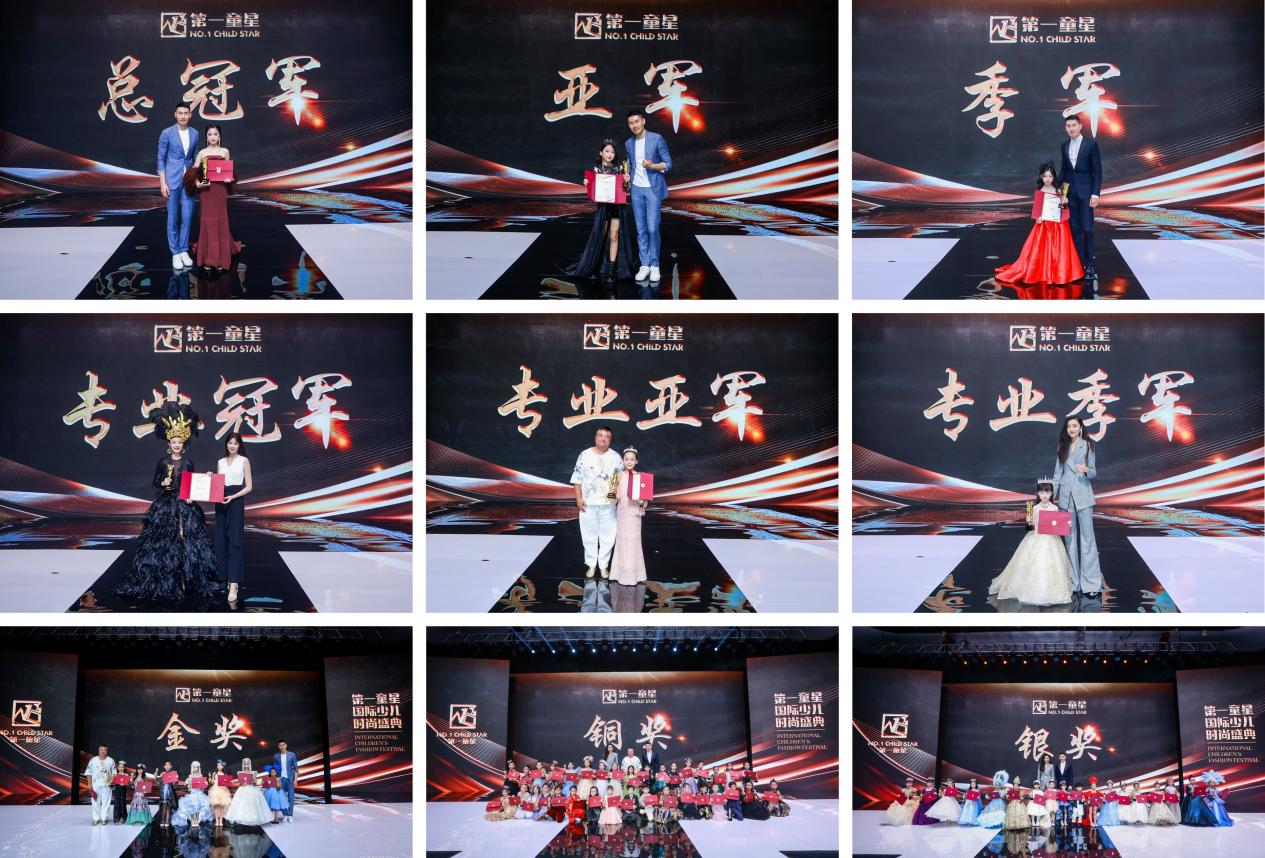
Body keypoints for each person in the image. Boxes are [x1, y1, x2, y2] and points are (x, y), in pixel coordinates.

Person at [112, 402, 217, 606]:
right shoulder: (163, 462)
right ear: (169, 442)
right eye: (174, 441)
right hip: (167, 504)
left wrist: (196, 491)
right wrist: (163, 482)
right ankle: (168, 579)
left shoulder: (188, 463)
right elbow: (155, 481)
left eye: (180, 441)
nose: (177, 444)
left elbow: (192, 483)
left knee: (187, 539)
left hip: (185, 504)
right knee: (165, 541)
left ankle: (187, 579)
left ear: (184, 443)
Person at [995, 163, 1084, 285]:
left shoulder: (1058, 191)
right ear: (1041, 177)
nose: (1048, 179)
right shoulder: (1040, 191)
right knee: (1041, 249)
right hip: (1044, 225)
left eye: (1050, 176)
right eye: (1045, 176)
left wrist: (1064, 202)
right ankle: (1043, 272)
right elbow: (1037, 209)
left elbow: (1060, 208)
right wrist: (1038, 218)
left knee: (1060, 249)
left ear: (1054, 177)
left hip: (1058, 225)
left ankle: (1060, 273)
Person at [988, 480, 1074, 605]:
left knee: (1051, 565)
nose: (1044, 495)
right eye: (1042, 492)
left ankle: (1050, 591)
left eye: (1047, 492)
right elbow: (1030, 528)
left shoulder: (1055, 508)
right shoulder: (1034, 508)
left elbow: (1056, 525)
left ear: (1051, 493)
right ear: (1038, 493)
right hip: (1035, 538)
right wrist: (1029, 521)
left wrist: (1066, 524)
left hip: (1051, 540)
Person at [570, 139, 637, 283]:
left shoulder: (619, 169)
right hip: (603, 209)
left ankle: (611, 269)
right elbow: (593, 192)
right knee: (600, 236)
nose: (610, 154)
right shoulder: (596, 170)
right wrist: (587, 184)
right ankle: (595, 266)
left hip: (616, 208)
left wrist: (626, 181)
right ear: (601, 153)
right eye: (607, 151)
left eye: (612, 152)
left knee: (614, 237)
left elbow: (625, 189)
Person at [1053, 416, 1102, 596]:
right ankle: (1074, 582)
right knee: (1069, 540)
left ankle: (1091, 583)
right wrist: (1050, 498)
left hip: (1084, 496)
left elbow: (1094, 472)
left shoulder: (1088, 445)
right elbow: (1057, 475)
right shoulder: (1062, 446)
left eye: (1075, 426)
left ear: (1081, 427)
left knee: (1088, 539)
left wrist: (1086, 470)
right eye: (1069, 426)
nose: (1071, 429)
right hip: (1066, 498)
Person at [624, 109, 672, 283]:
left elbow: (668, 164)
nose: (634, 125)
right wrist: (627, 174)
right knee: (640, 229)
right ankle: (644, 265)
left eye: (637, 121)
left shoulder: (657, 139)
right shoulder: (628, 143)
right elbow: (630, 164)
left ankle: (655, 265)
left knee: (652, 227)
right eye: (631, 123)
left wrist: (652, 166)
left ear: (643, 121)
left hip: (652, 189)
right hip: (636, 189)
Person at [570, 426, 623, 579]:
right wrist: (578, 499)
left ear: (610, 440)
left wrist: (614, 496)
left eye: (607, 436)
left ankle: (604, 565)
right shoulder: (584, 455)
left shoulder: (615, 457)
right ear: (595, 437)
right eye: (601, 435)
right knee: (589, 536)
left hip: (608, 505)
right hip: (588, 504)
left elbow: (620, 479)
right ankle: (591, 564)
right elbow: (577, 479)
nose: (603, 439)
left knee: (608, 536)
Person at [187, 124, 240, 271]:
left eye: (215, 134)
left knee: (221, 220)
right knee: (207, 220)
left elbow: (228, 172)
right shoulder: (202, 153)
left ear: (219, 136)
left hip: (220, 190)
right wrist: (197, 183)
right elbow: (193, 172)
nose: (212, 137)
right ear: (206, 137)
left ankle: (221, 258)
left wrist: (230, 179)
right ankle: (208, 258)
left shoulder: (225, 151)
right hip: (206, 191)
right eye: (210, 134)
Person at [1058, 114, 1101, 279]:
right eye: (1068, 126)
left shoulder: (1091, 144)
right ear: (1065, 128)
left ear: (1080, 126)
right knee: (1074, 229)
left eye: (1073, 125)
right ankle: (1078, 263)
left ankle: (1089, 265)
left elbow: (1097, 172)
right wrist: (1053, 187)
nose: (1071, 128)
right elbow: (1064, 170)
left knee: (1087, 228)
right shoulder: (1064, 146)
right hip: (1069, 192)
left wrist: (1095, 194)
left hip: (1086, 192)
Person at [158, 103, 200, 271]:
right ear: (175, 114)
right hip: (172, 180)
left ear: (190, 115)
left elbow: (196, 158)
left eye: (186, 113)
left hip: (188, 180)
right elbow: (161, 158)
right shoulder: (166, 133)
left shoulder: (195, 133)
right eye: (180, 113)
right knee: (173, 218)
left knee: (188, 216)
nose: (183, 116)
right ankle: (175, 252)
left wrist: (196, 177)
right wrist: (162, 182)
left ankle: (183, 250)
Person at [215, 431, 253, 606]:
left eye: (235, 443)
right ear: (226, 444)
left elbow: (249, 486)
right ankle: (225, 577)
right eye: (230, 443)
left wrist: (234, 496)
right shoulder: (220, 462)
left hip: (236, 500)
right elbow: (217, 484)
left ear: (239, 445)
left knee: (235, 541)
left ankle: (234, 584)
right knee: (221, 540)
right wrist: (210, 478)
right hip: (221, 500)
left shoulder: (244, 460)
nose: (232, 446)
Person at [611, 446, 648, 588]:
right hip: (622, 513)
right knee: (622, 541)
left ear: (636, 461)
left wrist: (641, 501)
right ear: (623, 460)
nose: (629, 461)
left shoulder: (641, 477)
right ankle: (618, 574)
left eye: (632, 459)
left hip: (634, 514)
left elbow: (645, 501)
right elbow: (611, 498)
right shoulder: (617, 476)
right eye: (626, 459)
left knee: (634, 541)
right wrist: (612, 493)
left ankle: (635, 574)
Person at [226, 759, 272, 827]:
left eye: (247, 764)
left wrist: (253, 780)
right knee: (242, 803)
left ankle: (253, 819)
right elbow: (240, 783)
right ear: (243, 765)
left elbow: (255, 783)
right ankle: (242, 818)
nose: (246, 765)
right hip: (243, 789)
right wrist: (242, 784)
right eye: (245, 764)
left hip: (252, 789)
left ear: (249, 765)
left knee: (252, 804)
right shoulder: (240, 773)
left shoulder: (253, 772)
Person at [84, 744, 116, 826]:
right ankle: (96, 818)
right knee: (95, 802)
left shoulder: (111, 760)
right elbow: (89, 773)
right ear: (99, 750)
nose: (103, 751)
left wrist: (111, 781)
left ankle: (104, 818)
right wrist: (89, 784)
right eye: (101, 749)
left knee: (106, 802)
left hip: (107, 785)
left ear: (107, 751)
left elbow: (114, 773)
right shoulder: (93, 760)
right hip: (96, 785)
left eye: (105, 750)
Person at [173, 761, 210, 828]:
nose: (195, 769)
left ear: (198, 768)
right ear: (192, 768)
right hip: (192, 794)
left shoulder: (200, 776)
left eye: (197, 767)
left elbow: (203, 786)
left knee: (198, 808)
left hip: (199, 794)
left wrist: (205, 783)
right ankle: (193, 821)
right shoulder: (190, 776)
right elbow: (186, 784)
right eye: (194, 767)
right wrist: (188, 783)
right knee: (192, 808)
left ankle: (197, 821)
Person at [273, 741, 298, 824]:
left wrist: (295, 779)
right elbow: (275, 769)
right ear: (278, 747)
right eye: (280, 745)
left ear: (286, 745)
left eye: (283, 745)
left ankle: (290, 815)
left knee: (291, 798)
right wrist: (276, 780)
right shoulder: (276, 756)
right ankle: (285, 815)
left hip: (290, 779)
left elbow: (295, 768)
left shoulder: (292, 755)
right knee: (282, 798)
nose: (281, 746)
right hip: (281, 779)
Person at [208, 760, 233, 829]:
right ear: (217, 766)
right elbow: (212, 782)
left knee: (222, 806)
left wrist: (227, 782)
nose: (219, 767)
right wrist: (210, 780)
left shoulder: (224, 774)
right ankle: (217, 820)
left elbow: (227, 782)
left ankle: (221, 820)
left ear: (223, 766)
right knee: (216, 806)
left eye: (221, 765)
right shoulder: (214, 774)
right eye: (218, 765)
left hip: (223, 790)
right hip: (215, 789)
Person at [157, 760, 179, 828]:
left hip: (170, 792)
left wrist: (175, 780)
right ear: (164, 766)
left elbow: (174, 784)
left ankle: (167, 820)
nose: (167, 766)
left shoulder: (173, 773)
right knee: (163, 806)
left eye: (169, 765)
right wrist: (159, 777)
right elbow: (158, 782)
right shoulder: (162, 773)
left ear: (171, 766)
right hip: (163, 792)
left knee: (168, 806)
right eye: (166, 765)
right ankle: (162, 820)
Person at [112, 759, 130, 824]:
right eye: (119, 767)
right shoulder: (115, 774)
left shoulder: (126, 775)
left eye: (122, 767)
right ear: (117, 767)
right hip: (117, 790)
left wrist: (125, 783)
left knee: (122, 803)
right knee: (117, 803)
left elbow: (128, 783)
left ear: (124, 768)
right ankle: (117, 818)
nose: (121, 768)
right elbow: (113, 783)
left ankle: (123, 817)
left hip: (123, 791)